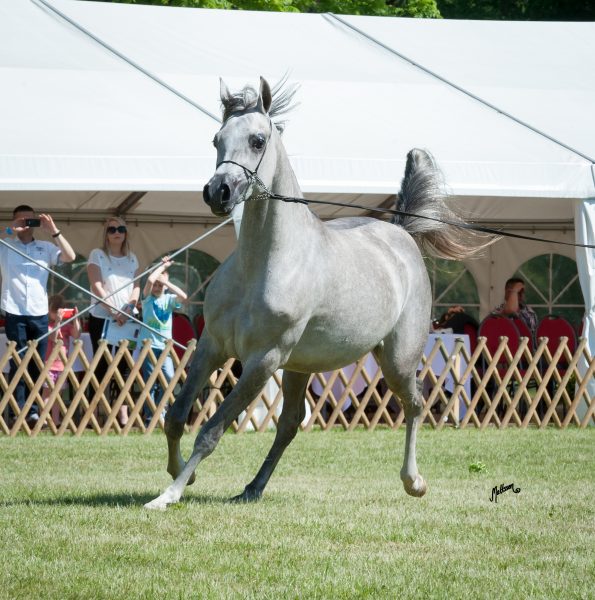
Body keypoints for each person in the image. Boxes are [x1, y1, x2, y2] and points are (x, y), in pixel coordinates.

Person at [0, 205, 76, 426]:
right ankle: (17, 410)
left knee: (37, 363)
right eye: (20, 220)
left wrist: (53, 229)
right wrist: (8, 230)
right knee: (18, 362)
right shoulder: (5, 245)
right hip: (14, 310)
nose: (25, 225)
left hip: (39, 311)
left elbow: (70, 256)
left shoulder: (45, 246)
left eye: (29, 221)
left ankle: (33, 411)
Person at [86, 217, 140, 426]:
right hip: (103, 318)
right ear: (106, 234)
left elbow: (136, 286)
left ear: (126, 233)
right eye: (112, 229)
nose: (116, 232)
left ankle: (122, 415)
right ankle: (93, 413)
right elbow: (97, 285)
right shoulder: (97, 255)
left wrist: (128, 309)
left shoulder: (132, 258)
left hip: (127, 319)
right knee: (101, 366)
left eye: (120, 229)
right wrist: (113, 310)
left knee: (125, 367)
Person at [141, 257, 187, 426]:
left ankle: (161, 411)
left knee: (169, 378)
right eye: (157, 284)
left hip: (165, 346)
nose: (158, 286)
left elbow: (184, 296)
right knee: (151, 382)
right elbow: (150, 280)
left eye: (161, 285)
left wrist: (166, 282)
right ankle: (149, 417)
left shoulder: (168, 299)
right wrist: (162, 267)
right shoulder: (147, 300)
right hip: (150, 346)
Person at [44, 294, 81, 425]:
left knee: (57, 395)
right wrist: (58, 322)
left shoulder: (67, 326)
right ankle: (44, 419)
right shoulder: (48, 326)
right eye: (54, 311)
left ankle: (55, 419)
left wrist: (76, 318)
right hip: (49, 365)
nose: (56, 314)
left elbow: (77, 335)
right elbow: (53, 338)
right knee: (47, 393)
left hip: (61, 366)